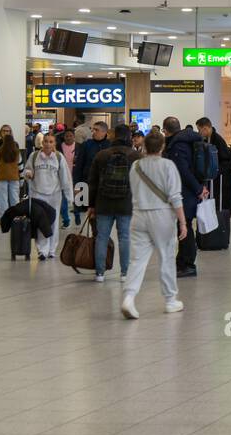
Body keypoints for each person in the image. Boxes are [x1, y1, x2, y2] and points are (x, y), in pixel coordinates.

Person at [120, 129, 188, 319]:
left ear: (144, 145)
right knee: (166, 257)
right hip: (162, 215)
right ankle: (170, 300)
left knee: (137, 260)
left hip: (139, 214)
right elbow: (175, 197)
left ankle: (129, 297)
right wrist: (183, 222)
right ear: (162, 146)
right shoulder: (168, 166)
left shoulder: (136, 166)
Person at [87, 124, 140, 284]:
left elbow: (93, 182)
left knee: (102, 237)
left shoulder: (102, 155)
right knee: (124, 237)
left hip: (103, 202)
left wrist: (91, 205)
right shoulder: (135, 156)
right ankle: (124, 274)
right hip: (126, 203)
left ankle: (100, 273)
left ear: (113, 136)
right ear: (129, 137)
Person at [163, 117, 210, 277]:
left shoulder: (178, 145)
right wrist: (200, 187)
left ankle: (187, 264)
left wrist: (197, 189)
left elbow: (182, 171)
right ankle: (182, 262)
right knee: (185, 226)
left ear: (165, 131)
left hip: (185, 192)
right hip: (192, 189)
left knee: (185, 227)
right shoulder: (190, 140)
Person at [23, 131, 72, 260]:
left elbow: (65, 178)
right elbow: (27, 169)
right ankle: (42, 250)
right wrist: (28, 173)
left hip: (54, 195)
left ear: (55, 143)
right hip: (37, 193)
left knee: (54, 222)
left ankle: (52, 249)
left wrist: (69, 196)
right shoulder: (34, 156)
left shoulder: (59, 157)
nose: (48, 144)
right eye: (46, 141)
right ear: (42, 142)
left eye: (51, 142)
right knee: (40, 222)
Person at [72, 122, 109, 226]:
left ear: (104, 132)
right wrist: (76, 185)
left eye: (96, 130)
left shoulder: (109, 146)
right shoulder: (86, 145)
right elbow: (78, 166)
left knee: (103, 218)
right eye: (93, 129)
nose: (93, 132)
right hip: (87, 185)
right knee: (90, 215)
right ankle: (94, 237)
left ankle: (100, 237)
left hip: (105, 187)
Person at [197, 117, 231, 213]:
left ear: (205, 128)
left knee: (217, 201)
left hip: (219, 178)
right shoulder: (205, 139)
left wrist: (217, 171)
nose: (199, 132)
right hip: (211, 177)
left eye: (199, 130)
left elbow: (226, 160)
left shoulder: (217, 140)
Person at [58, 127, 77, 228]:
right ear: (64, 137)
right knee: (63, 200)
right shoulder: (59, 147)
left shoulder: (79, 147)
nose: (69, 138)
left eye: (71, 136)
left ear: (74, 137)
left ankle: (77, 215)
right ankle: (66, 220)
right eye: (67, 136)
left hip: (75, 176)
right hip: (63, 178)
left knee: (76, 199)